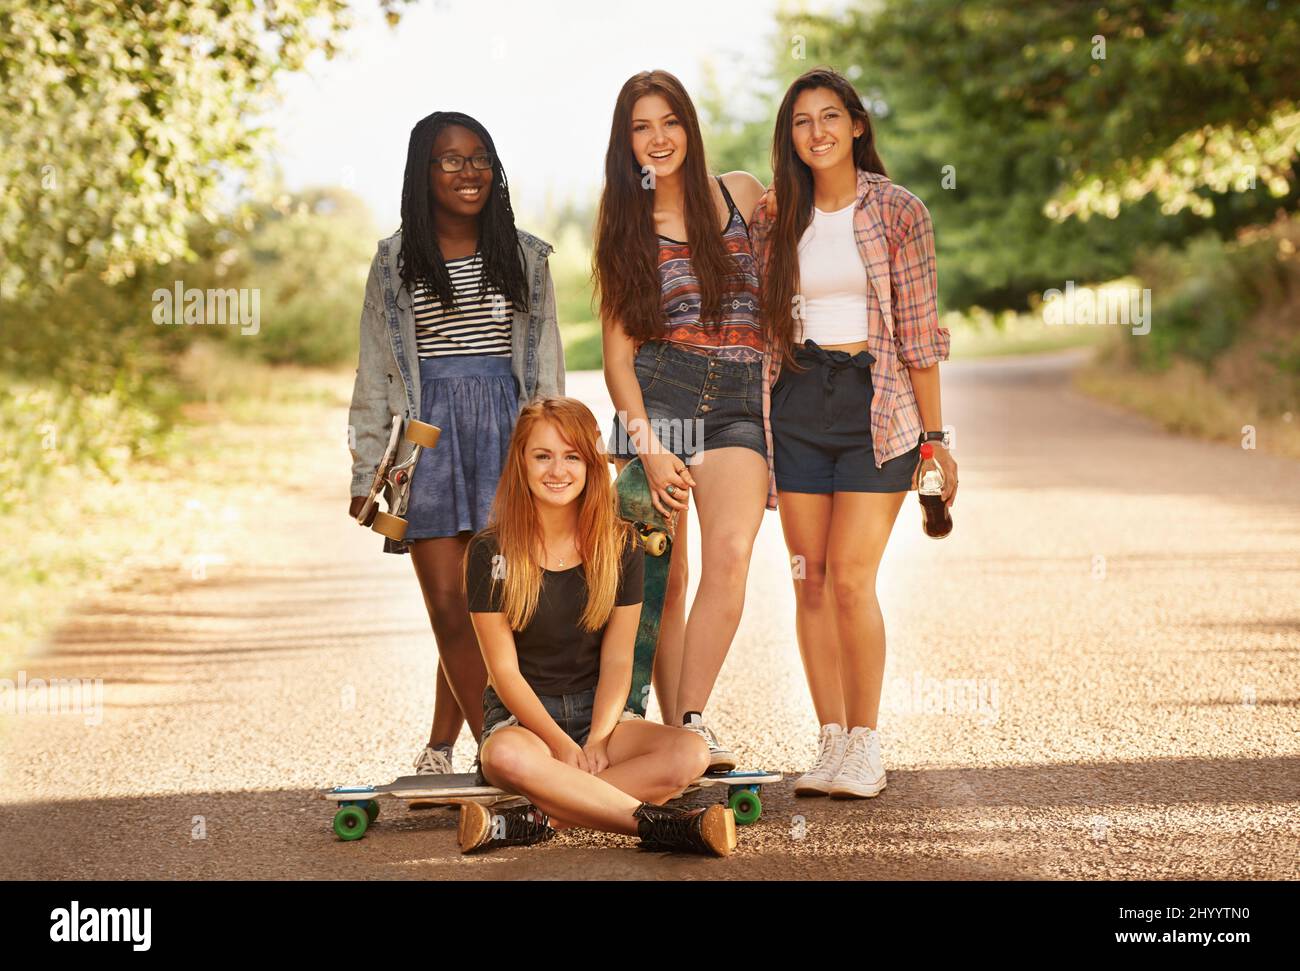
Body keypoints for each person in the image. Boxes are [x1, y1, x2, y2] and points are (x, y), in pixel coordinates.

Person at [750, 68, 957, 798]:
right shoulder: (777, 216)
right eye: (802, 121)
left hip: (881, 403)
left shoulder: (898, 210)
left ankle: (866, 741)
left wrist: (935, 439)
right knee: (807, 580)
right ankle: (831, 739)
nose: (818, 132)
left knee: (848, 578)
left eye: (831, 116)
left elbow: (922, 334)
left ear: (858, 125)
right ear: (791, 136)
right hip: (799, 401)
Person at [347, 110, 564, 776]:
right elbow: (376, 370)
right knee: (449, 604)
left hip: (507, 433)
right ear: (423, 170)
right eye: (451, 158)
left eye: (480, 157)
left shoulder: (525, 255)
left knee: (494, 605)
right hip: (425, 441)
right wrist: (365, 472)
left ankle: (448, 746)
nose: (469, 170)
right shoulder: (393, 261)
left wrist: (560, 452)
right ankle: (496, 755)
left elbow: (546, 366)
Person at [458, 397, 735, 856]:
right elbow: (504, 673)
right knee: (504, 756)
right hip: (524, 723)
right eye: (542, 456)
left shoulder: (621, 545)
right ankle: (660, 826)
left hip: (601, 713)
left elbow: (619, 657)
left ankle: (534, 820)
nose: (557, 470)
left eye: (572, 457)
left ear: (590, 464)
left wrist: (600, 737)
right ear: (521, 463)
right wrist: (561, 746)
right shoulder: (492, 553)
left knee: (690, 754)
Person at [593, 69, 769, 770]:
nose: (658, 138)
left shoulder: (743, 193)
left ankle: (693, 719)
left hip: (736, 400)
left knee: (729, 554)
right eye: (641, 126)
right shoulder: (623, 225)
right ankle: (660, 734)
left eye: (669, 121)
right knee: (660, 574)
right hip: (658, 397)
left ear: (690, 128)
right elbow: (616, 358)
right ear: (626, 142)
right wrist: (648, 448)